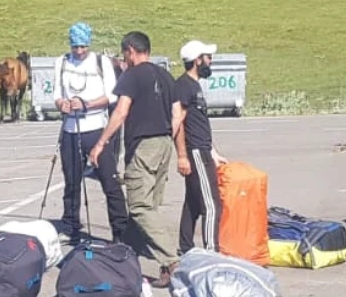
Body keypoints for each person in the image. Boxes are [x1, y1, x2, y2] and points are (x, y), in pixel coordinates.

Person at [89, 32, 183, 289]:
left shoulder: (132, 75)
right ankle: (131, 260)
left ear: (131, 51)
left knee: (140, 208)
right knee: (150, 208)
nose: (124, 60)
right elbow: (177, 115)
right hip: (164, 143)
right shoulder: (165, 75)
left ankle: (173, 262)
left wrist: (101, 143)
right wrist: (168, 141)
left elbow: (121, 111)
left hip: (144, 145)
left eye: (124, 54)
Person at [53, 22, 127, 245]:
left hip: (96, 129)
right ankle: (71, 226)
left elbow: (112, 96)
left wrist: (87, 104)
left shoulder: (100, 61)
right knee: (72, 182)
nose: (79, 51)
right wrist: (61, 104)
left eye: (83, 46)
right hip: (70, 130)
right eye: (75, 47)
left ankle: (121, 232)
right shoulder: (62, 62)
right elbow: (57, 93)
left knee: (109, 182)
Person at [174, 40, 227, 256]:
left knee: (193, 203)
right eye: (207, 57)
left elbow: (199, 122)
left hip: (203, 150)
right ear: (197, 60)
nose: (210, 61)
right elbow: (177, 122)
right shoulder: (184, 86)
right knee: (212, 206)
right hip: (194, 151)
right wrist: (182, 156)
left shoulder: (194, 85)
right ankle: (212, 252)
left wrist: (213, 152)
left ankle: (185, 247)